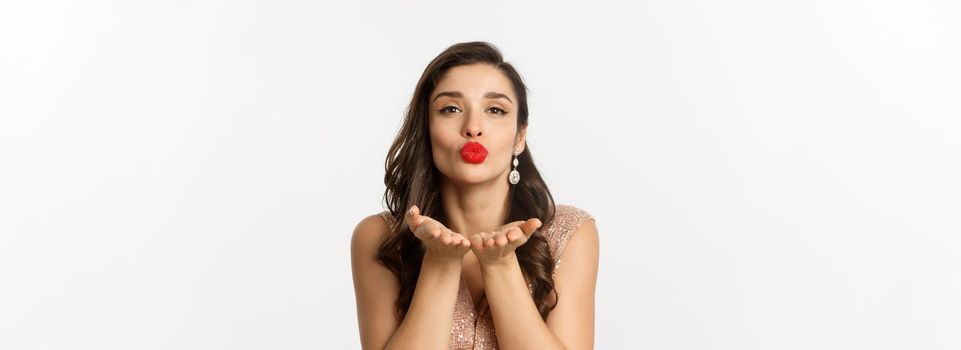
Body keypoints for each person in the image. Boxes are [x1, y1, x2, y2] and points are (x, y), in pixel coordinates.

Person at [351, 41, 599, 350]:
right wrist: (440, 263)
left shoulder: (570, 232)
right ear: (426, 128)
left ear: (520, 136)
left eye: (495, 110)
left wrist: (500, 265)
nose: (473, 127)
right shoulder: (379, 236)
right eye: (451, 109)